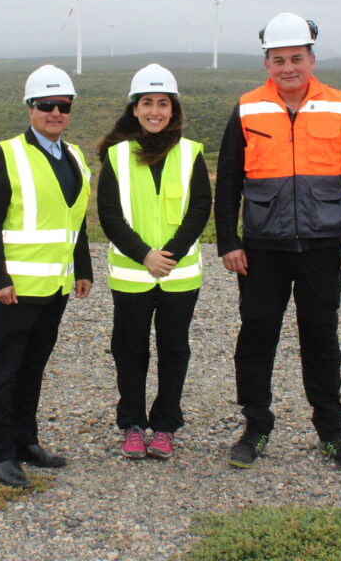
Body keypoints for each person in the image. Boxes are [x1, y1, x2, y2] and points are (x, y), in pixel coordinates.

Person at [215, 13, 341, 472]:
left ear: (312, 58)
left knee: (321, 337)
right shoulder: (247, 107)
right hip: (262, 247)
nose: (288, 67)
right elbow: (228, 179)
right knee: (256, 335)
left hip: (323, 245)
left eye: (296, 58)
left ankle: (332, 431)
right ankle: (255, 427)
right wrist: (228, 240)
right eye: (278, 59)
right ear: (266, 63)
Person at [0, 64, 93, 488]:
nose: (56, 113)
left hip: (57, 287)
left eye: (63, 105)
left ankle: (26, 441)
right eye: (47, 105)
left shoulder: (76, 155)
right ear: (31, 108)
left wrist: (83, 268)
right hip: (16, 289)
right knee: (4, 369)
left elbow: (75, 219)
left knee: (34, 367)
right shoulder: (5, 154)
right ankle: (0, 453)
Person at [96, 64, 212, 460]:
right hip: (132, 273)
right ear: (134, 108)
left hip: (179, 275)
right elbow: (109, 214)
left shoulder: (191, 152)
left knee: (174, 349)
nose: (155, 111)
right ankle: (132, 423)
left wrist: (170, 255)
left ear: (173, 108)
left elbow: (200, 208)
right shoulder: (115, 156)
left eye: (163, 103)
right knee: (129, 349)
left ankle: (165, 425)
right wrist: (144, 255)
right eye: (147, 103)